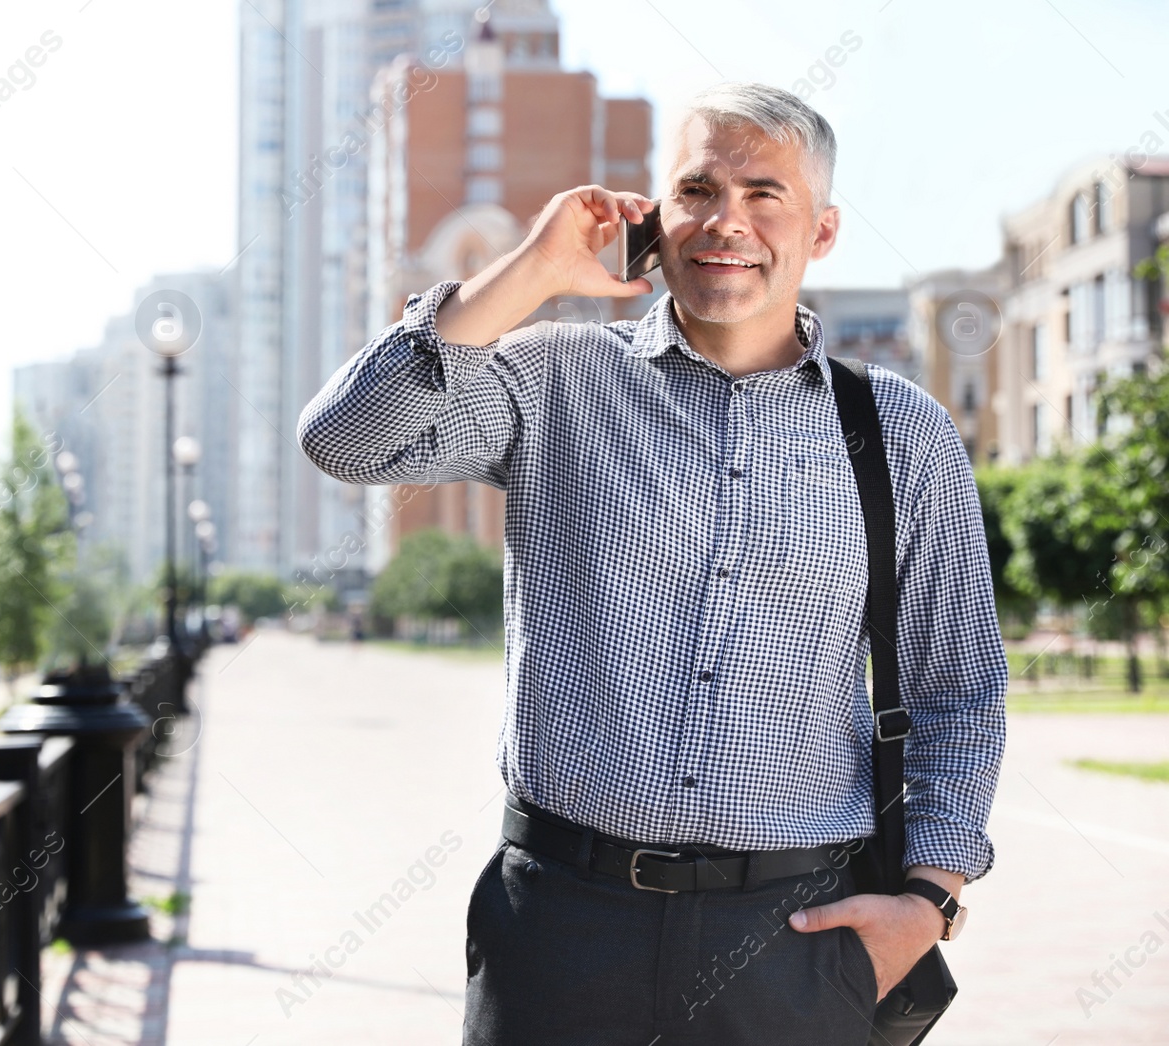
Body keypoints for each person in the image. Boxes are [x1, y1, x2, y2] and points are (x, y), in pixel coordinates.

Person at [296, 82, 1006, 1044]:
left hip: (795, 942)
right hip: (560, 928)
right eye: (697, 189)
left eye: (766, 195)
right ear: (652, 217)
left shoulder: (898, 433)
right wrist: (528, 274)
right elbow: (348, 440)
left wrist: (929, 901)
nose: (728, 222)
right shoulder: (556, 378)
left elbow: (957, 683)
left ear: (823, 232)